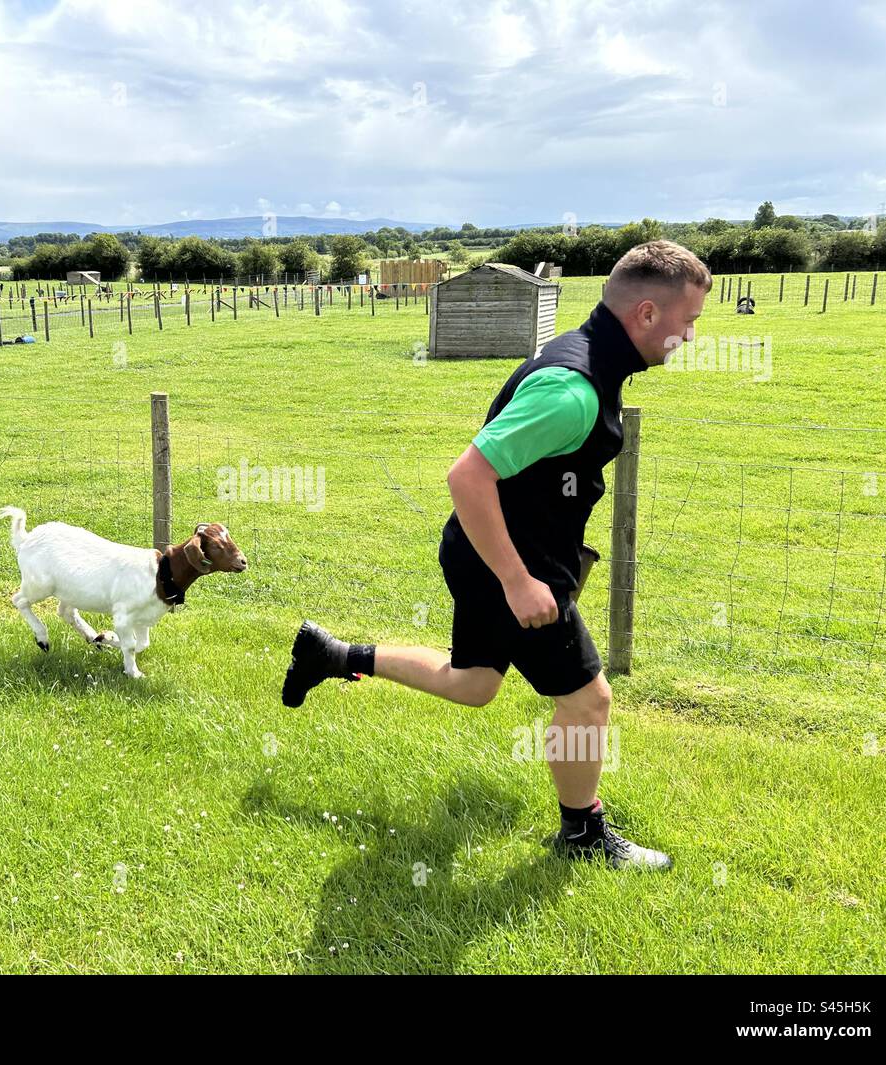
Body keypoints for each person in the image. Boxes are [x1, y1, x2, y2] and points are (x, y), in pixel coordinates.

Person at [282, 240, 712, 871]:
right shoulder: (573, 390)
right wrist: (517, 581)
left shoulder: (590, 358)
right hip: (510, 566)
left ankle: (332, 655)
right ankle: (582, 836)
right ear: (647, 314)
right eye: (688, 321)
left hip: (490, 554)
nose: (691, 337)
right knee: (588, 699)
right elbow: (468, 476)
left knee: (474, 684)